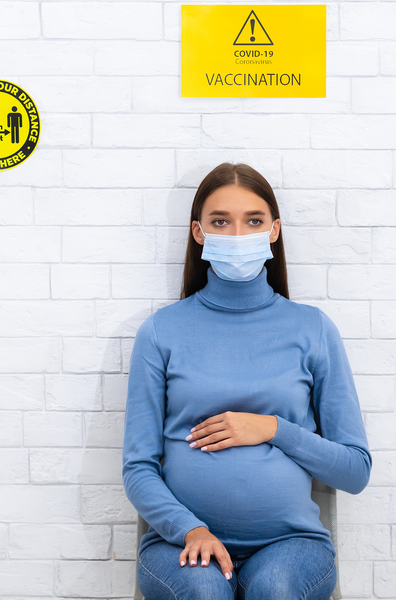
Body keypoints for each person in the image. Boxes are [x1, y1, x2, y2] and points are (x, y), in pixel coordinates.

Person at [123, 163, 371, 600]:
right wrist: (190, 528)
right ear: (199, 232)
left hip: (290, 544)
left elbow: (354, 471)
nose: (237, 235)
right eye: (221, 221)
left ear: (274, 230)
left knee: (275, 589)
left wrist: (273, 429)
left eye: (253, 221)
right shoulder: (161, 331)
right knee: (204, 593)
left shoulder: (312, 329)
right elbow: (138, 466)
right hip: (180, 542)